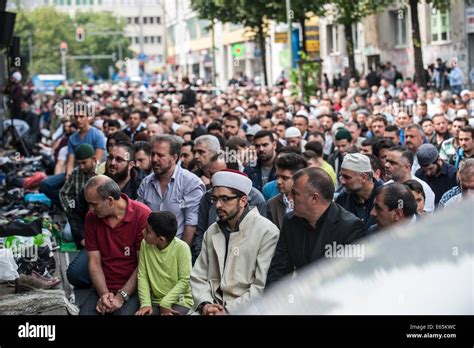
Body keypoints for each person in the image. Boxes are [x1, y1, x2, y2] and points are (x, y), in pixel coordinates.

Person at [191, 170, 279, 314]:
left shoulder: (267, 232)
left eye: (225, 199)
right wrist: (206, 304)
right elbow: (198, 276)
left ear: (243, 201)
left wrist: (227, 311)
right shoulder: (212, 231)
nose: (218, 205)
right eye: (215, 199)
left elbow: (261, 287)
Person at [266, 168, 366, 287]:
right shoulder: (291, 221)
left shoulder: (350, 228)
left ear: (314, 198)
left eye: (295, 193)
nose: (289, 198)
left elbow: (351, 279)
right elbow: (279, 269)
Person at [80, 176, 151, 315]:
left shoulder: (142, 215)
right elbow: (94, 261)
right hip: (104, 286)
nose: (91, 209)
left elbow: (143, 264)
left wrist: (121, 296)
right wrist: (104, 294)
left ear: (110, 201)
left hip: (134, 288)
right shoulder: (91, 217)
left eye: (94, 204)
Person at [192, 152, 267, 263]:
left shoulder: (256, 199)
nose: (213, 180)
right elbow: (201, 234)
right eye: (210, 174)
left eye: (218, 175)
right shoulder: (207, 197)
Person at [137, 135, 205, 246]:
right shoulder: (146, 183)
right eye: (153, 154)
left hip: (177, 249)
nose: (154, 159)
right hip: (149, 249)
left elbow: (191, 224)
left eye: (160, 155)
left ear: (174, 158)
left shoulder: (191, 183)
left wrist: (180, 254)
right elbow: (140, 218)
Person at [136, 212, 193, 316]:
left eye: (148, 231)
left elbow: (185, 280)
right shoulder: (145, 244)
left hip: (180, 301)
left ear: (161, 239)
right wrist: (145, 303)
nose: (143, 232)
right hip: (155, 302)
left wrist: (165, 303)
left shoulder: (182, 248)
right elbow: (142, 275)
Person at [336, 153, 383, 228]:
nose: (343, 182)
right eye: (341, 176)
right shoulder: (343, 198)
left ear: (363, 177)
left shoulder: (384, 197)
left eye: (347, 177)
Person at [383, 146, 435, 213]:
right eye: (386, 161)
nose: (386, 165)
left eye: (392, 163)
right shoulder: (384, 188)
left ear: (406, 167)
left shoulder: (423, 189)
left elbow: (424, 218)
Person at [267, 154, 308, 229]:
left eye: (284, 178)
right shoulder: (272, 204)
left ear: (300, 178)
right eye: (277, 177)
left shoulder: (312, 202)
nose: (278, 182)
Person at [59, 144, 97, 216]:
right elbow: (64, 193)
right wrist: (72, 209)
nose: (81, 167)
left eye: (84, 163)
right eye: (79, 163)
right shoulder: (76, 173)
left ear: (94, 159)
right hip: (79, 214)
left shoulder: (102, 172)